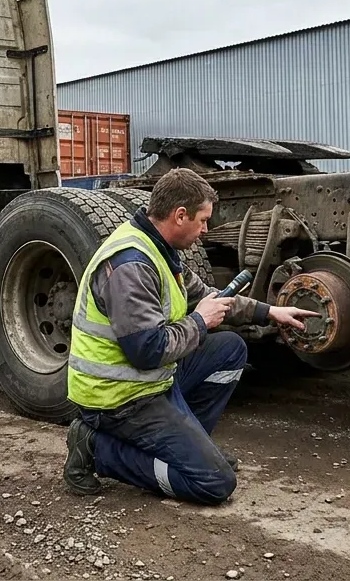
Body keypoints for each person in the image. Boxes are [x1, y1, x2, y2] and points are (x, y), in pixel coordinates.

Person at [62, 168, 317, 505]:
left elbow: (209, 297)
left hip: (150, 382)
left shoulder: (161, 251)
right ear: (180, 216)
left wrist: (270, 312)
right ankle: (96, 448)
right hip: (117, 399)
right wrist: (199, 322)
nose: (206, 230)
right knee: (214, 483)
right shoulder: (131, 265)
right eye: (203, 220)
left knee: (229, 348)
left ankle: (190, 446)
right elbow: (147, 351)